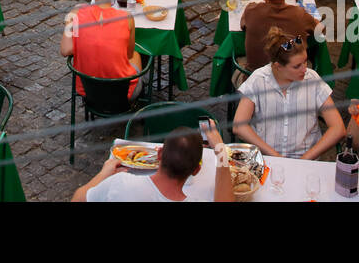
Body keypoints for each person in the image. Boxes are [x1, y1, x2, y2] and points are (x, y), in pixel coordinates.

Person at [234, 28, 344, 159]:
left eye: (305, 61)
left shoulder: (312, 79)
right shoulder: (258, 80)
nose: (304, 69)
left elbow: (338, 128)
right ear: (278, 66)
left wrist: (305, 159)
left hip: (305, 160)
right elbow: (239, 126)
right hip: (268, 159)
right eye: (297, 66)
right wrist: (275, 155)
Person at [74, 123, 233, 202]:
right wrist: (220, 149)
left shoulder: (120, 183)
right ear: (196, 170)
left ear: (159, 153)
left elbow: (78, 198)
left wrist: (103, 174)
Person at [61, 0, 143, 99]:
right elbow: (128, 54)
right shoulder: (127, 18)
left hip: (88, 90)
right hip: (122, 94)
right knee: (136, 55)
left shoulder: (77, 13)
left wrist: (68, 21)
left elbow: (65, 50)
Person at [240, 0, 318, 71]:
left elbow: (242, 25)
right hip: (291, 81)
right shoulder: (300, 14)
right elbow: (319, 30)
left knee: (238, 65)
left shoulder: (250, 10)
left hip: (256, 80)